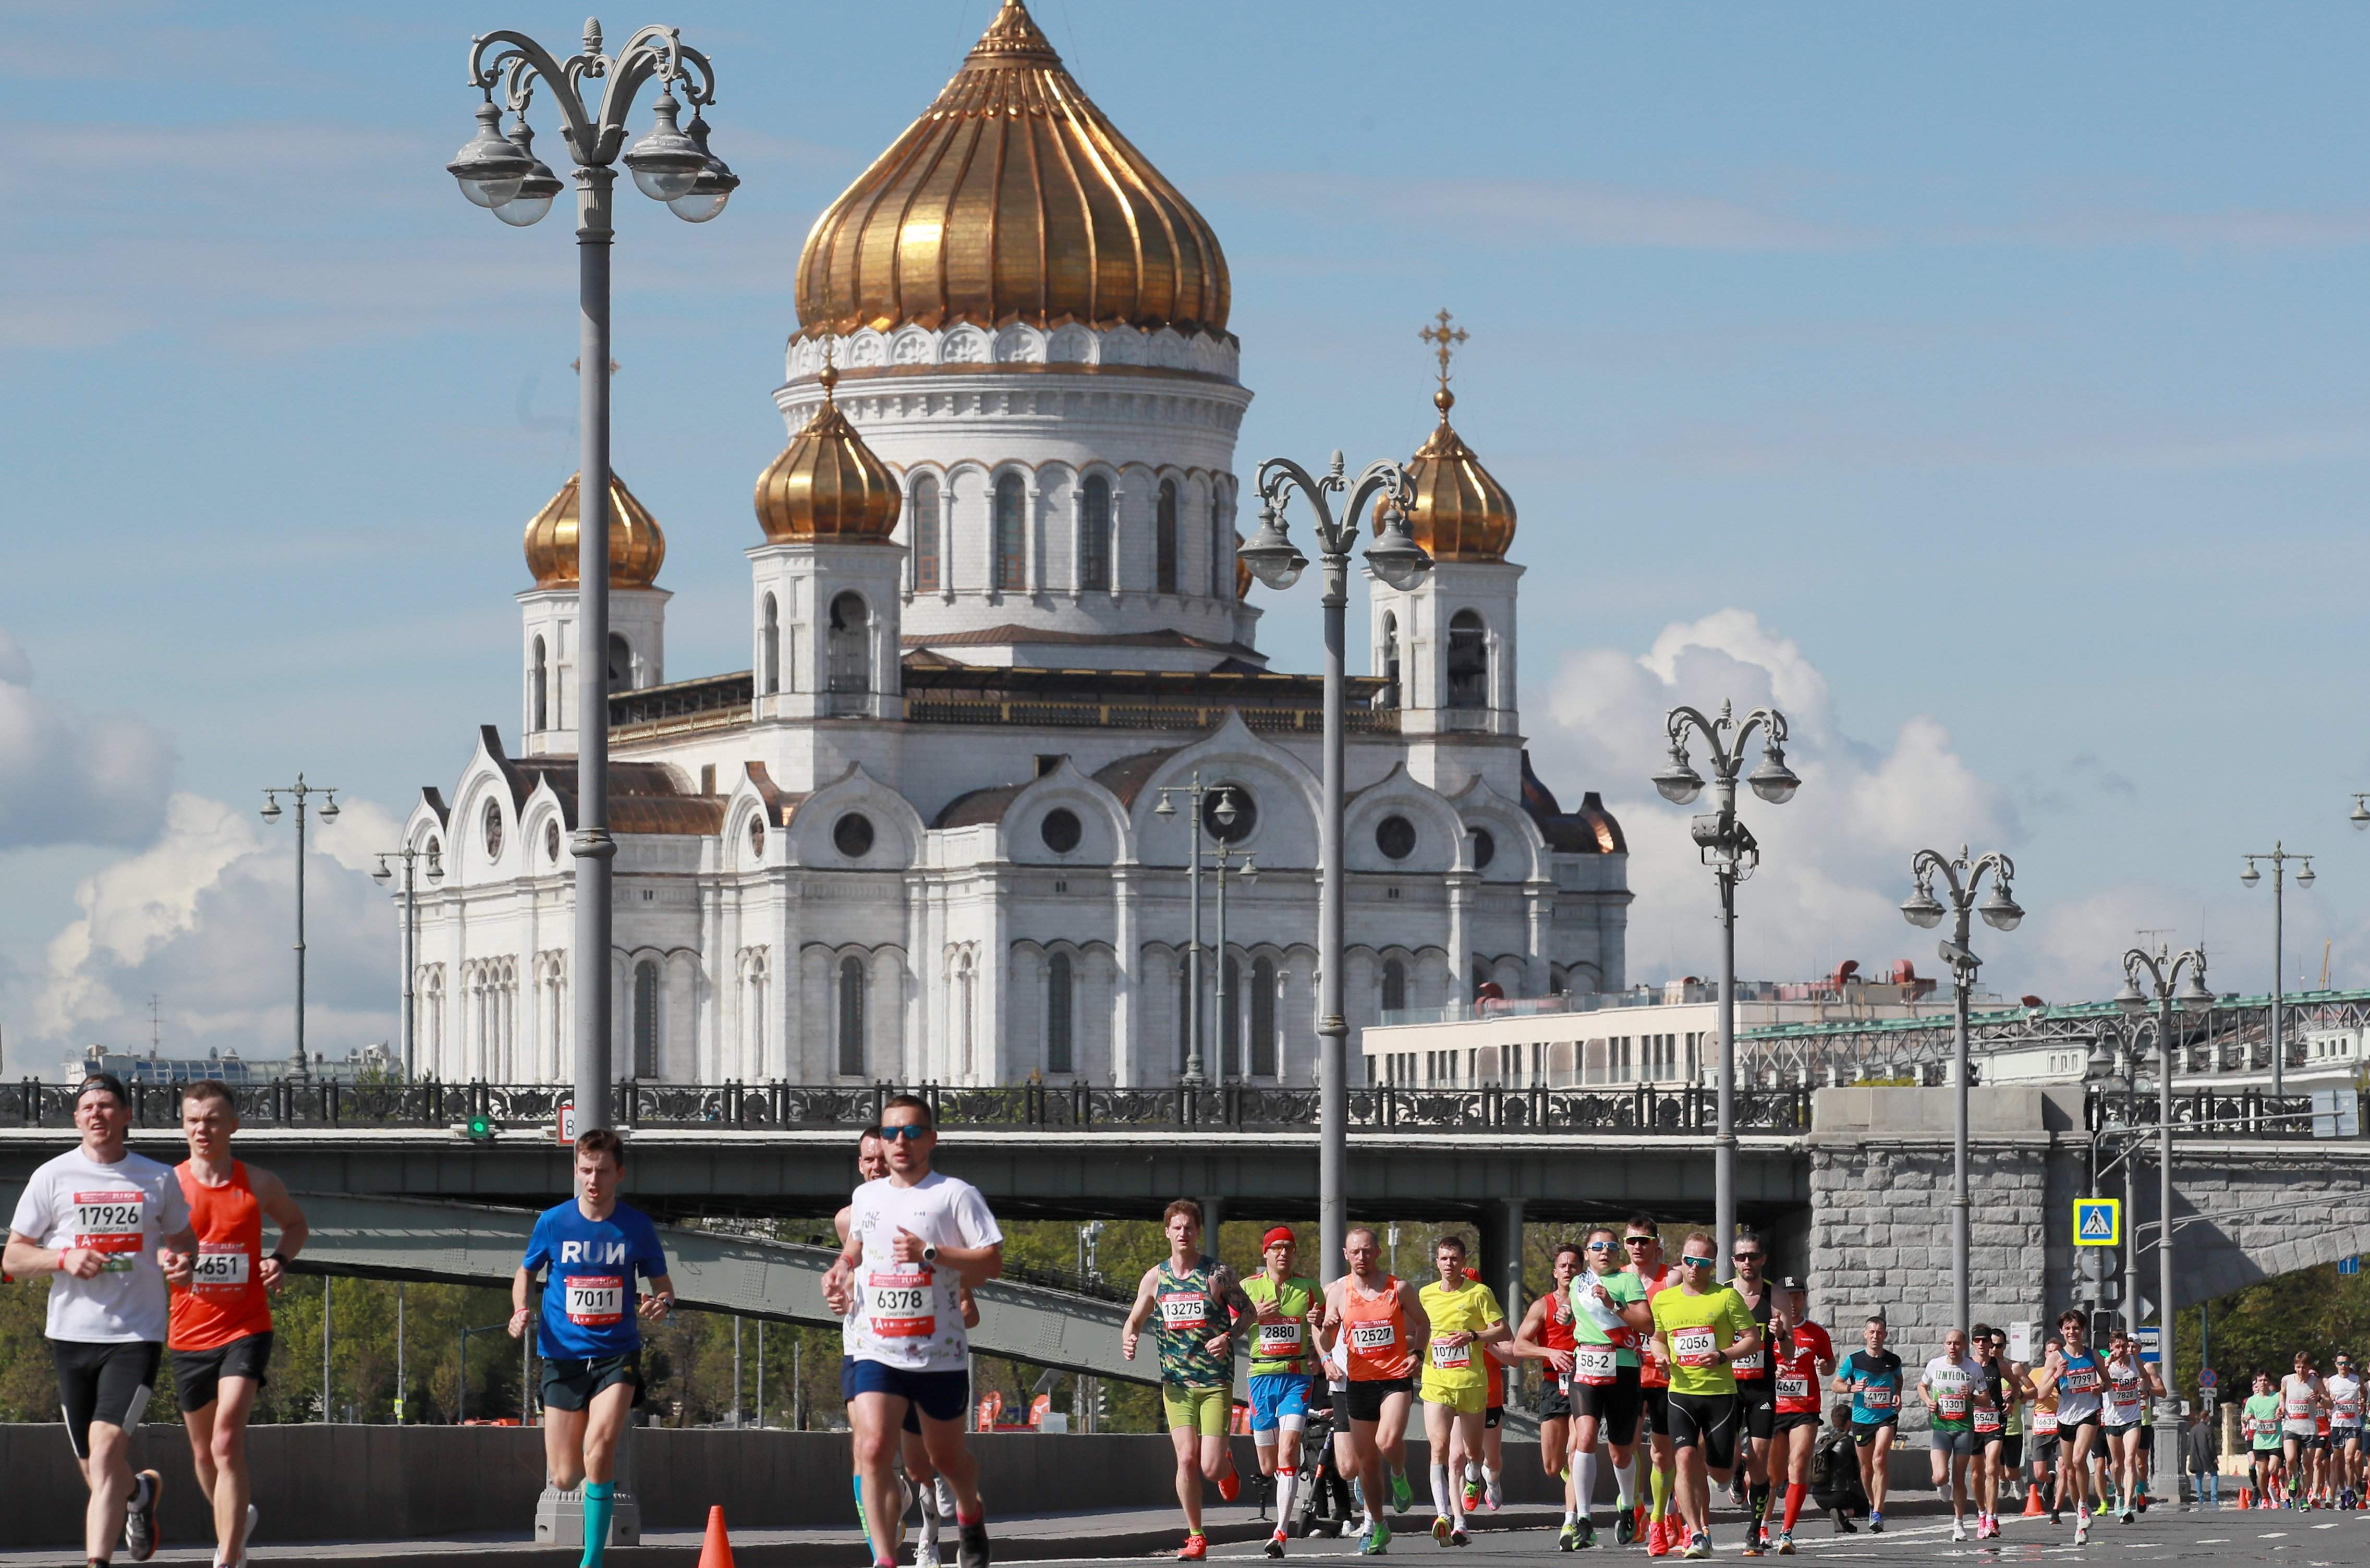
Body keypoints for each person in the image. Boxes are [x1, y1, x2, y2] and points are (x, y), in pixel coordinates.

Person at [5, 1072, 196, 1568]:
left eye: (108, 1105)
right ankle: (138, 1495)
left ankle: (96, 1562)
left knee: (106, 1444)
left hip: (135, 1335)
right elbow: (13, 1258)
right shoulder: (53, 1176)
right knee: (94, 1464)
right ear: (76, 1118)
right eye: (88, 1107)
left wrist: (180, 1261)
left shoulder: (158, 1178)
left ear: (126, 1115)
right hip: (70, 1336)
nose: (97, 1114)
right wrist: (62, 1258)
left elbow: (184, 1244)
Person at [822, 1095, 1002, 1568]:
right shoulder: (867, 1197)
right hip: (876, 1348)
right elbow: (857, 1245)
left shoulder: (954, 1195)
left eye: (912, 1131)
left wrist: (930, 1253)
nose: (900, 1141)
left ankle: (969, 1509)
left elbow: (991, 1263)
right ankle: (884, 1558)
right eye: (891, 1132)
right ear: (881, 1140)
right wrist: (840, 1267)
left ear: (932, 1139)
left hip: (937, 1353)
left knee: (943, 1461)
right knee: (872, 1447)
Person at [509, 1128, 673, 1568]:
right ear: (576, 1171)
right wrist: (520, 1310)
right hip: (562, 1356)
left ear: (619, 1173)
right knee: (564, 1475)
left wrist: (663, 1304)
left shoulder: (636, 1226)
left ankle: (593, 1559)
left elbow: (664, 1287)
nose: (593, 1179)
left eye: (602, 1170)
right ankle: (591, 1491)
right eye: (585, 1170)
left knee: (600, 1447)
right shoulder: (554, 1222)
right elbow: (525, 1272)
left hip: (617, 1353)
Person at [169, 1081, 307, 1568]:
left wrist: (279, 1260)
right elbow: (151, 1247)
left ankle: (229, 1555)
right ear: (183, 1126)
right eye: (193, 1120)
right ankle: (236, 1517)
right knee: (204, 1454)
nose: (202, 1128)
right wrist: (169, 1261)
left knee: (227, 1438)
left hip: (246, 1326)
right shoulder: (170, 1186)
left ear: (233, 1125)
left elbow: (296, 1224)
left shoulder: (260, 1182)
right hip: (187, 1331)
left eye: (212, 1119)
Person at [1123, 1199, 1247, 1560]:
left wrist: (1227, 1337)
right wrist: (1129, 1336)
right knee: (1186, 1459)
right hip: (1175, 1384)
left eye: (1188, 1227)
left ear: (1197, 1232)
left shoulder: (1217, 1274)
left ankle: (1225, 1463)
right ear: (1167, 1232)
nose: (1182, 1233)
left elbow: (1248, 1313)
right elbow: (1134, 1318)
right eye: (1176, 1227)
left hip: (1213, 1381)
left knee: (1209, 1466)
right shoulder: (1155, 1277)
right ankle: (1196, 1536)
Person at [1645, 1229, 1760, 1561]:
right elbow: (1657, 1337)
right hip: (1681, 1393)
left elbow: (1753, 1339)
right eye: (1688, 1261)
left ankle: (1733, 1468)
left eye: (1702, 1262)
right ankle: (1696, 1534)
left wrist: (1724, 1355)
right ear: (1681, 1261)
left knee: (1720, 1474)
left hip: (1720, 1395)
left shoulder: (1726, 1298)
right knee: (1682, 1458)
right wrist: (1661, 1354)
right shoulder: (1664, 1299)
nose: (1694, 1268)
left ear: (1713, 1265)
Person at [1320, 1224, 1429, 1554]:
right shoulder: (1338, 1293)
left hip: (1395, 1378)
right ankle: (1379, 1526)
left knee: (1387, 1440)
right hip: (1359, 1383)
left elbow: (1423, 1323)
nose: (1362, 1257)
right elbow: (1326, 1342)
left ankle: (1398, 1472)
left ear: (1378, 1252)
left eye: (1367, 1250)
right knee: (1366, 1463)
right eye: (1355, 1252)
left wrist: (1418, 1355)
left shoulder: (1400, 1288)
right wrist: (1325, 1331)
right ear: (1346, 1255)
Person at [1415, 1235, 1508, 1546]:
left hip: (1472, 1383)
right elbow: (1411, 1328)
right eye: (1443, 1258)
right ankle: (1448, 1517)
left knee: (1471, 1453)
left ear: (1464, 1262)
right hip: (1436, 1382)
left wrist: (1473, 1335)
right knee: (1440, 1450)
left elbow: (1504, 1330)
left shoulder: (1480, 1293)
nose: (1449, 1264)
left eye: (1454, 1258)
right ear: (1437, 1262)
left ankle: (1474, 1474)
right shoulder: (1425, 1295)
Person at [1567, 1227, 1654, 1549]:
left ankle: (1628, 1508)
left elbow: (1647, 1325)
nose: (1604, 1252)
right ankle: (1584, 1519)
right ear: (1587, 1254)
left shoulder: (1627, 1281)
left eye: (1611, 1247)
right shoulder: (1578, 1283)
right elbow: (1575, 1319)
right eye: (1597, 1247)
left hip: (1623, 1368)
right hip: (1587, 1367)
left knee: (1620, 1452)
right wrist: (1565, 1316)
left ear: (1619, 1253)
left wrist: (1614, 1304)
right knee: (1585, 1438)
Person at [1242, 1226, 1322, 1560]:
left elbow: (1326, 1335)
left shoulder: (1309, 1288)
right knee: (1266, 1465)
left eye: (1288, 1247)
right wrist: (1253, 1317)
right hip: (1261, 1377)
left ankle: (1281, 1533)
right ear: (1266, 1253)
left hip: (1296, 1377)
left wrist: (1321, 1326)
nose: (1283, 1253)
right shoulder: (1247, 1287)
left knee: (1287, 1453)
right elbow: (1226, 1330)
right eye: (1276, 1248)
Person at [1505, 1241, 1583, 1544]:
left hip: (1584, 1383)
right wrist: (1550, 1352)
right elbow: (1519, 1346)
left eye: (1574, 1265)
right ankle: (1569, 1471)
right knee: (1552, 1466)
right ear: (1555, 1272)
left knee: (1578, 1451)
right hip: (1554, 1385)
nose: (1568, 1270)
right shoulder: (1542, 1306)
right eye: (1563, 1266)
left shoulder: (1590, 1303)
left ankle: (1571, 1522)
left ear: (1581, 1270)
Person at [1622, 1217, 1685, 1557]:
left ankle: (1661, 1519)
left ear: (1654, 1243)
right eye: (1632, 1240)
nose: (1637, 1246)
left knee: (1661, 1453)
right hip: (1627, 1373)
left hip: (1662, 1376)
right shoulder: (1614, 1278)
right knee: (1625, 1449)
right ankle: (1635, 1506)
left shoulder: (1670, 1278)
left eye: (1643, 1241)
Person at [1764, 1277, 1834, 1554]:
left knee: (1799, 1463)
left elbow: (1829, 1366)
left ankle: (1787, 1533)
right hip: (1773, 1408)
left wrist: (1823, 1365)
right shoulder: (1765, 1331)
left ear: (1805, 1298)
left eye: (1797, 1297)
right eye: (1786, 1297)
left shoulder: (1816, 1332)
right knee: (1771, 1475)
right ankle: (1763, 1525)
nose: (1792, 1303)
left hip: (1805, 1409)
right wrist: (1774, 1372)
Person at [1722, 1233, 1778, 1549]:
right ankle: (1735, 1471)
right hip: (1728, 1386)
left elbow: (1789, 1344)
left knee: (1759, 1459)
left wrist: (1781, 1333)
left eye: (1753, 1256)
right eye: (1741, 1257)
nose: (1747, 1262)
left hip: (1761, 1388)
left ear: (1763, 1259)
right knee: (1728, 1457)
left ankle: (1755, 1530)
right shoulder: (1723, 1293)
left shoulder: (1774, 1294)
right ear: (1733, 1261)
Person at [2037, 1309, 2107, 1543]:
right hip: (2065, 1417)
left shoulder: (2093, 1355)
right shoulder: (2055, 1358)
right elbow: (2041, 1393)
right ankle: (2080, 1520)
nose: (2072, 1332)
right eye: (2067, 1328)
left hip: (2089, 1414)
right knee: (2068, 1470)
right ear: (2062, 1331)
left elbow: (2107, 1382)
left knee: (2079, 1460)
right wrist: (2057, 1375)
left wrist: (2100, 1388)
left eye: (2076, 1328)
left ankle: (2085, 1506)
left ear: (2082, 1330)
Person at [1917, 1326, 1991, 1542]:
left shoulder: (1973, 1368)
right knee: (1940, 1476)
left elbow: (1986, 1399)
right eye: (1949, 1343)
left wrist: (1972, 1397)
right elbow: (1922, 1386)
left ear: (1964, 1346)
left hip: (1964, 1429)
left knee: (1960, 1478)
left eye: (1957, 1343)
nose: (1953, 1347)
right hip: (1941, 1428)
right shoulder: (1935, 1365)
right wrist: (1928, 1401)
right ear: (1944, 1345)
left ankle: (1958, 1524)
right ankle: (1942, 1484)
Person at [1831, 1317, 1902, 1533]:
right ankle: (1872, 1503)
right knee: (1867, 1467)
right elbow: (1836, 1384)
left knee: (1880, 1458)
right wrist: (1852, 1389)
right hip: (1862, 1420)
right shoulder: (1855, 1360)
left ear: (1885, 1336)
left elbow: (1898, 1379)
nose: (1875, 1336)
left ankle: (1879, 1513)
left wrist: (1897, 1395)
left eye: (1879, 1332)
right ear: (1865, 1334)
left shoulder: (1893, 1360)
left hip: (1886, 1417)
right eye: (1872, 1332)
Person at [2098, 1327, 2162, 1522]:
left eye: (2124, 1346)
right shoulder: (2105, 1364)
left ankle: (2127, 1506)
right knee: (2116, 1466)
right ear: (2111, 1347)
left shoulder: (2135, 1361)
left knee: (2130, 1460)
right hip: (2112, 1419)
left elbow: (2144, 1377)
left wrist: (2144, 1390)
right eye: (2117, 1347)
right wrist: (2107, 1364)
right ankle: (2119, 1493)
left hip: (2133, 1418)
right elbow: (2098, 1386)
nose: (2121, 1350)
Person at [1965, 1324, 2019, 1538]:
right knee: (1977, 1474)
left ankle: (1992, 1517)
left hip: (1995, 1421)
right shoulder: (1966, 1365)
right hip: (1973, 1423)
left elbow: (2016, 1386)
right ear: (1972, 1344)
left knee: (1991, 1468)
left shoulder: (2000, 1365)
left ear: (1990, 1344)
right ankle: (1981, 1512)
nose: (1981, 1344)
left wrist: (2011, 1400)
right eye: (1977, 1341)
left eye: (1985, 1341)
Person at [1808, 1401, 1867, 1533]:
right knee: (1868, 1507)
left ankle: (1844, 1522)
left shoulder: (1822, 1441)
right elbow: (1859, 1470)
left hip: (1818, 1495)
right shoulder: (1849, 1441)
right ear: (1849, 1422)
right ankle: (1844, 1513)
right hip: (1840, 1495)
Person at [2278, 1351, 2326, 1509]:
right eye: (2298, 1367)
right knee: (2291, 1459)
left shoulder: (2316, 1382)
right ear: (2295, 1367)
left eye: (2304, 1368)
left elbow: (2330, 1404)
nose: (2301, 1371)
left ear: (2309, 1367)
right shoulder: (2287, 1380)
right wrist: (2282, 1406)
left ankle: (2305, 1497)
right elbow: (2282, 1394)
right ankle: (2294, 1477)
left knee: (2307, 1465)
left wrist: (2319, 1399)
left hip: (2309, 1429)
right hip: (2290, 1426)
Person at [2244, 1371, 2283, 1506]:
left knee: (2272, 1469)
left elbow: (2285, 1410)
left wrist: (2281, 1413)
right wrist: (2247, 1418)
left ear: (2270, 1382)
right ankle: (2265, 1498)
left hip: (2275, 1440)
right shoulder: (2252, 1400)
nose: (2263, 1383)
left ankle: (2275, 1483)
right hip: (2260, 1441)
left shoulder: (2277, 1397)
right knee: (2261, 1471)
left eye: (2265, 1380)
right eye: (2260, 1380)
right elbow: (2244, 1418)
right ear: (2257, 1382)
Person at [2329, 1351, 2362, 1510]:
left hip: (2353, 1425)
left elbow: (2364, 1391)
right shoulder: (2331, 1382)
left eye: (2346, 1363)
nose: (2344, 1366)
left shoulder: (2356, 1380)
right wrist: (2330, 1402)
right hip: (2337, 1425)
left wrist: (2362, 1402)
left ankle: (2350, 1489)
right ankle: (2342, 1491)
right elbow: (2325, 1402)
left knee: (2349, 1458)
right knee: (2338, 1462)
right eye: (2341, 1363)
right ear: (2336, 1365)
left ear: (2350, 1365)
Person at [2182, 1402, 2220, 1510]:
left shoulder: (2193, 1429)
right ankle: (2214, 1497)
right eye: (2209, 1417)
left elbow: (2189, 1443)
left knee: (2199, 1477)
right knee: (2214, 1476)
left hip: (2196, 1456)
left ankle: (2201, 1497)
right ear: (2206, 1417)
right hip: (2207, 1456)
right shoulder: (2208, 1430)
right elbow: (2211, 1446)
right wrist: (2215, 1458)